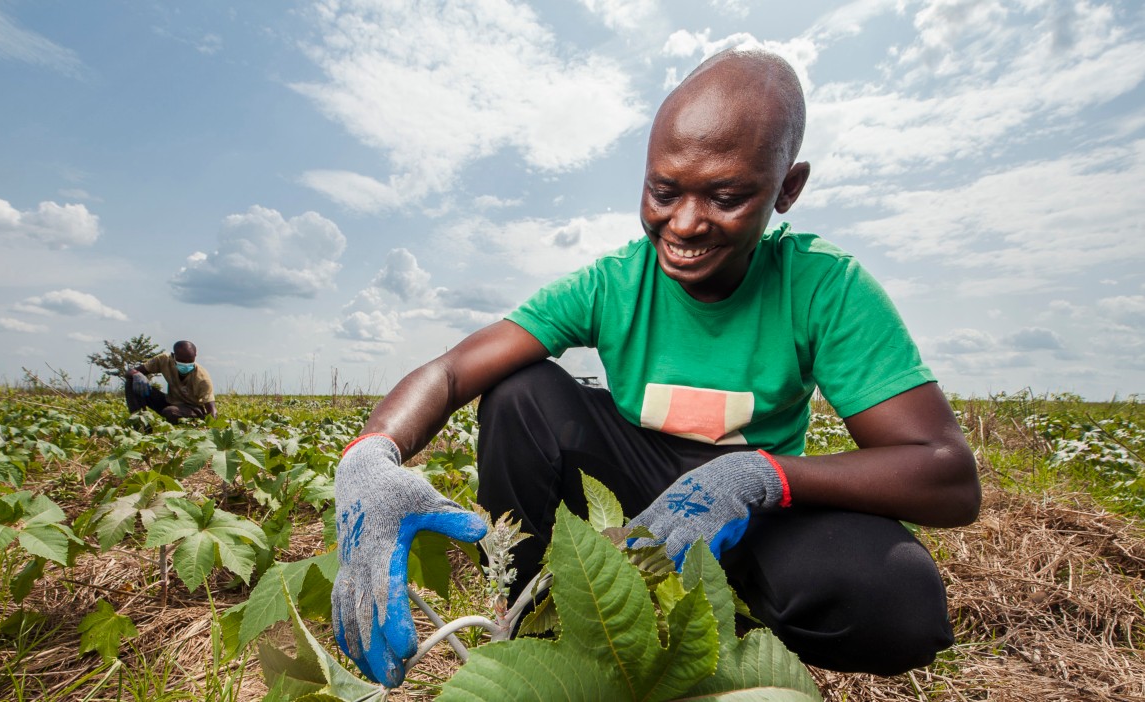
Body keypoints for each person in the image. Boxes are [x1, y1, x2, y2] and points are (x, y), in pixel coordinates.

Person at [331, 48, 981, 688]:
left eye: (726, 196)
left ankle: (721, 639)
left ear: (788, 187)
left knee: (899, 601)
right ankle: (536, 630)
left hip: (755, 510)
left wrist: (758, 476)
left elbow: (945, 474)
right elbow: (451, 372)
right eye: (663, 191)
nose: (685, 223)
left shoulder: (820, 286)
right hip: (636, 494)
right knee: (519, 395)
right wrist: (371, 453)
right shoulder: (614, 283)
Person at [123, 340, 217, 423]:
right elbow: (129, 372)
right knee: (131, 382)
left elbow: (211, 408)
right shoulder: (164, 360)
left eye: (189, 361)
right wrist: (136, 374)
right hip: (171, 401)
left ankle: (192, 423)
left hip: (192, 409)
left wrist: (213, 426)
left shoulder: (202, 378)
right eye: (182, 361)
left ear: (195, 356)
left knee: (171, 412)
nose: (186, 364)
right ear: (173, 355)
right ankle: (141, 425)